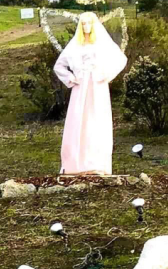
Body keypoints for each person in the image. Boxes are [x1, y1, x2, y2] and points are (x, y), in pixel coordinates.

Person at [54, 12, 127, 175]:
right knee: (78, 120)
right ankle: (75, 163)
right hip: (80, 90)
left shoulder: (102, 44)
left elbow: (121, 59)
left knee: (96, 120)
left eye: (89, 23)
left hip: (98, 87)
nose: (86, 26)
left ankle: (97, 162)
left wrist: (106, 74)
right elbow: (58, 66)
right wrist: (72, 78)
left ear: (94, 25)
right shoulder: (75, 45)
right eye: (83, 23)